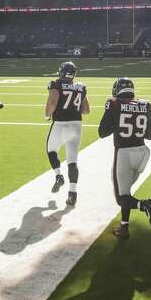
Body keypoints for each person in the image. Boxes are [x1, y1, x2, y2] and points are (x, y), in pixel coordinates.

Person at [97, 77, 151, 240]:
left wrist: (116, 122)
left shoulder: (114, 103)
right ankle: (124, 228)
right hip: (143, 153)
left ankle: (143, 205)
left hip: (124, 153)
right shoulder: (144, 104)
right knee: (126, 193)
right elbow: (150, 135)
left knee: (121, 198)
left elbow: (102, 132)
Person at [46, 61, 89, 206]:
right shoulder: (81, 87)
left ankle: (58, 175)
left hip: (59, 124)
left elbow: (52, 103)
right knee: (72, 160)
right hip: (76, 125)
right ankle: (72, 193)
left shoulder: (56, 84)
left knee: (51, 150)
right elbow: (86, 110)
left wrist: (47, 115)